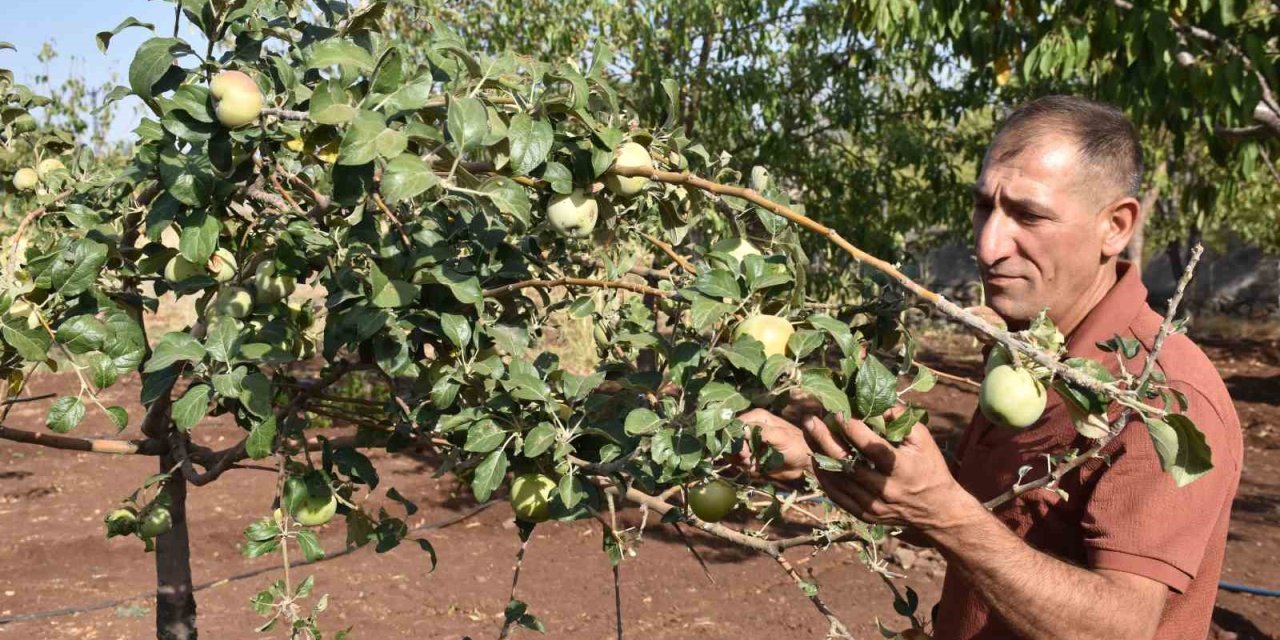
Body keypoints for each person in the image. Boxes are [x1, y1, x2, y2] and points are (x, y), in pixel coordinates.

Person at [738, 96, 1242, 640]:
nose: (988, 245)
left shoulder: (1159, 401)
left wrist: (944, 512)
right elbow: (988, 517)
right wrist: (821, 461)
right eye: (984, 207)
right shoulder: (1025, 355)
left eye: (1029, 215)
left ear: (1115, 227)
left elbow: (1119, 628)